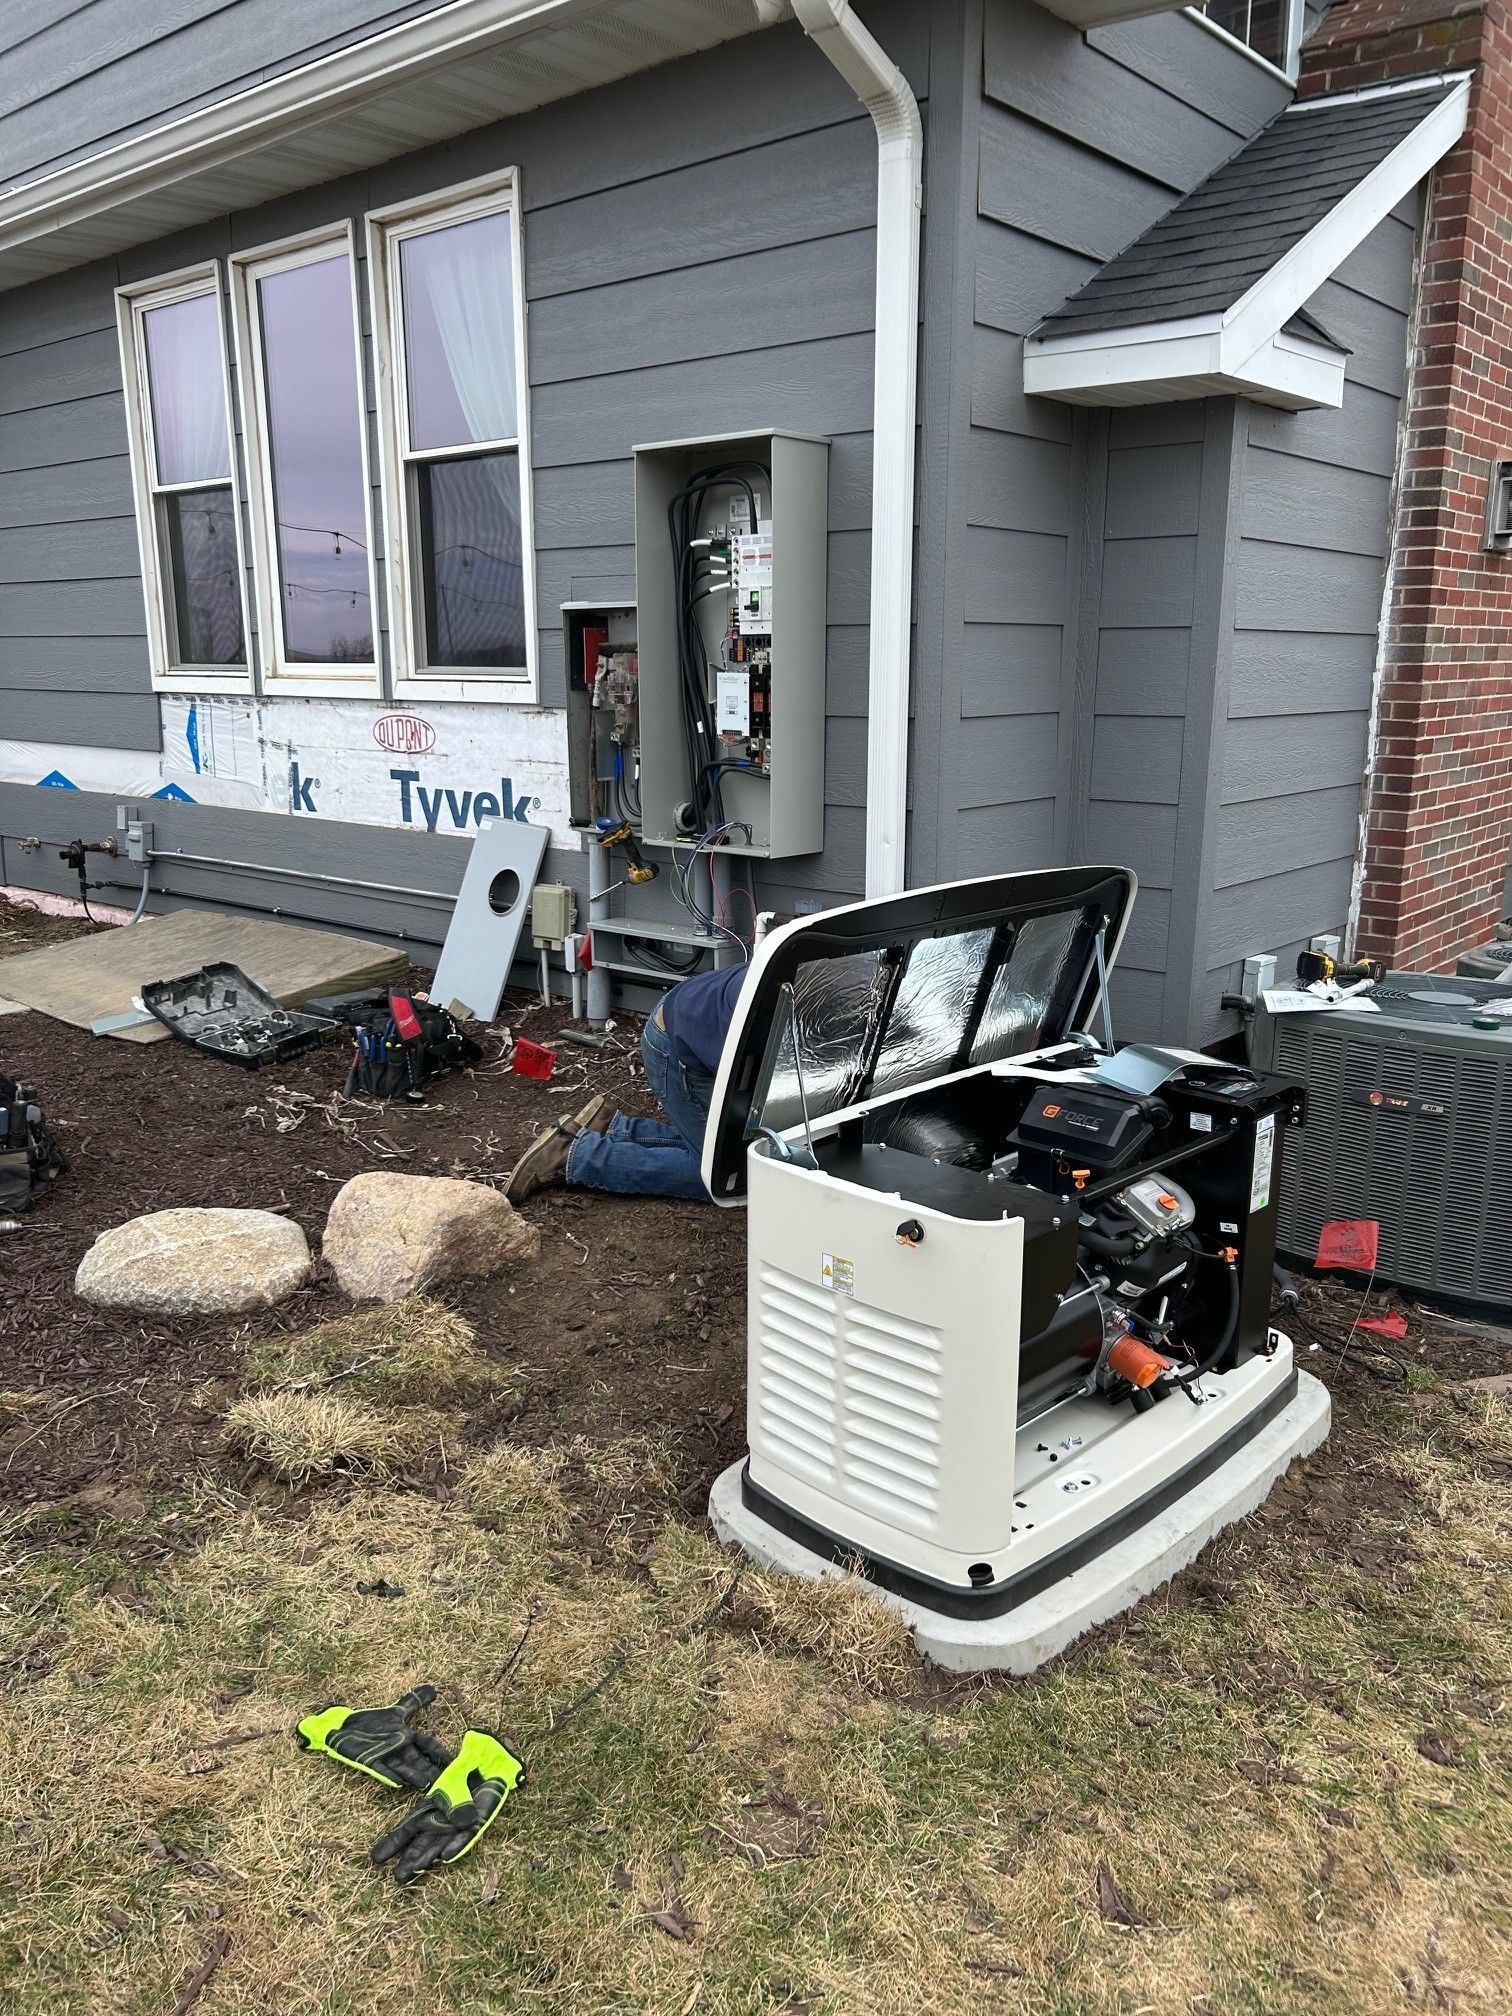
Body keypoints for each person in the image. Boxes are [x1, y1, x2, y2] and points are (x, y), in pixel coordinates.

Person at [504, 962, 746, 1204]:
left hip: (683, 1018)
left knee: (738, 1148)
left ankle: (613, 1129)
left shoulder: (779, 968)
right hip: (679, 1049)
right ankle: (572, 1155)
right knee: (729, 1176)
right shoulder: (769, 1007)